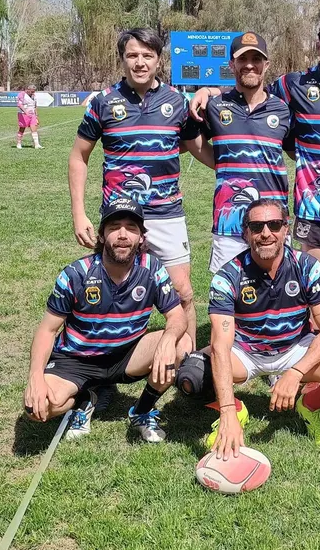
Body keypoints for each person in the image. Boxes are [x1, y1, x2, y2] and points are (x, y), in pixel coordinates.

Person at [192, 15, 320, 339]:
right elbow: (249, 89)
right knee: (317, 287)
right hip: (314, 209)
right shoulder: (293, 85)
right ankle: (313, 356)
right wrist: (209, 89)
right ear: (318, 45)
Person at [180, 199, 320, 456]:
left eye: (274, 225)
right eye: (256, 227)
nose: (266, 233)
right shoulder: (227, 276)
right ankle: (235, 411)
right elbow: (220, 345)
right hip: (246, 351)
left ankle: (308, 405)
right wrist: (228, 410)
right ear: (246, 233)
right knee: (191, 376)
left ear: (286, 229)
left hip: (295, 347)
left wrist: (296, 372)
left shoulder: (307, 267)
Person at [69, 29, 200, 353]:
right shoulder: (102, 103)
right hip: (120, 217)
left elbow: (196, 148)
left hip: (166, 213)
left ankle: (192, 364)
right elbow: (78, 157)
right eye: (132, 55)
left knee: (182, 292)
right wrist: (79, 213)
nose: (140, 62)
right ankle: (101, 361)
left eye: (147, 55)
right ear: (122, 59)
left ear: (158, 60)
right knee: (109, 290)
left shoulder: (177, 102)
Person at [23, 198, 189, 441]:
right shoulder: (75, 274)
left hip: (126, 356)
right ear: (101, 236)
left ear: (141, 237)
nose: (123, 235)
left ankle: (141, 411)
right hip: (76, 359)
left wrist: (168, 340)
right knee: (36, 409)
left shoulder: (152, 268)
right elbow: (47, 330)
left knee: (181, 344)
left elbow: (176, 316)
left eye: (131, 228)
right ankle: (84, 398)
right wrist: (35, 377)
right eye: (114, 227)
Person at [186, 32, 291, 273]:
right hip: (229, 223)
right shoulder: (215, 105)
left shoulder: (283, 108)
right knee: (227, 296)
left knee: (279, 296)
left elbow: (297, 149)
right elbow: (192, 140)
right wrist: (220, 163)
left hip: (274, 221)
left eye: (257, 59)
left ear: (267, 65)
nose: (250, 65)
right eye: (243, 59)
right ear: (232, 64)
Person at [16, 84, 42, 149]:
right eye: (32, 91)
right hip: (23, 114)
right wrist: (26, 112)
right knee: (22, 128)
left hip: (32, 114)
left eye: (34, 91)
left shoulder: (34, 96)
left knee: (34, 129)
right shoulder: (22, 94)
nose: (33, 93)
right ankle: (19, 143)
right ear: (28, 90)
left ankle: (36, 144)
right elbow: (20, 105)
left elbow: (35, 106)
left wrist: (36, 116)